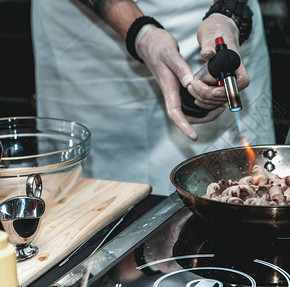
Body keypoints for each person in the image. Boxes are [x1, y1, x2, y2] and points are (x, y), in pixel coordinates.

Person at [31, 0, 275, 195]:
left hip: (212, 20)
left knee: (242, 188)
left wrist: (230, 13)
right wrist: (140, 33)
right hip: (86, 39)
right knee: (91, 201)